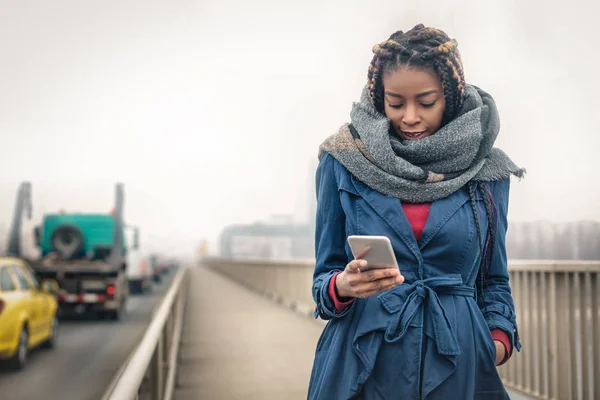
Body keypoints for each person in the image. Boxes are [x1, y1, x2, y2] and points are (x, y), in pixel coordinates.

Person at [308, 24, 525, 400]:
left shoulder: (486, 172)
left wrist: (495, 341)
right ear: (380, 100)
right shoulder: (342, 160)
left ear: (451, 98)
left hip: (460, 363)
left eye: (426, 102)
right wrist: (341, 286)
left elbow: (493, 280)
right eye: (395, 103)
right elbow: (323, 280)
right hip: (362, 361)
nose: (409, 116)